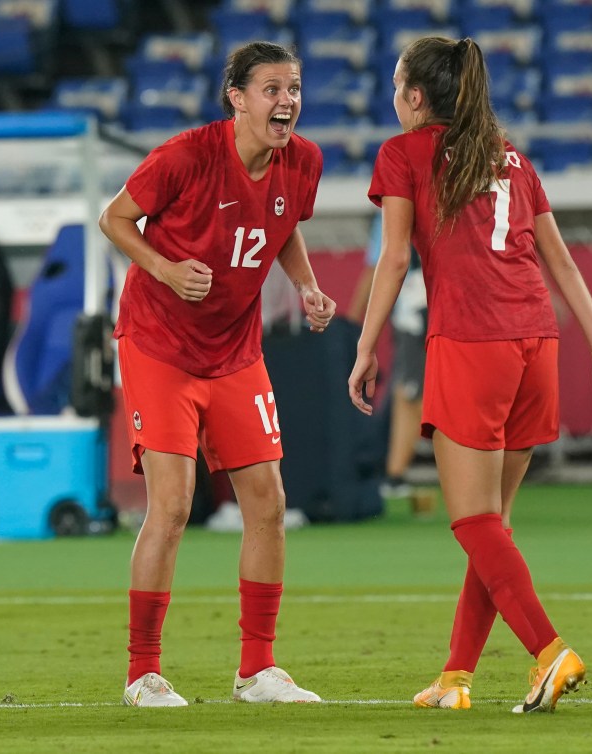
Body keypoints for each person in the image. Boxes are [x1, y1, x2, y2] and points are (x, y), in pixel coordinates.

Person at [348, 37, 592, 713]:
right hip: (538, 339)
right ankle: (455, 679)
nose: (393, 98)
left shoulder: (404, 152)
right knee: (494, 524)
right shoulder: (510, 155)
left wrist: (364, 348)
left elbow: (392, 262)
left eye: (396, 87)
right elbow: (560, 261)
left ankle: (548, 650)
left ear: (417, 97)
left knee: (473, 523)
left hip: (473, 340)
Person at [99, 41, 336, 708]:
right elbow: (113, 219)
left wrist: (308, 286)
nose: (285, 100)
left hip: (235, 352)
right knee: (172, 506)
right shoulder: (186, 156)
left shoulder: (304, 161)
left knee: (268, 503)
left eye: (293, 87)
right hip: (160, 346)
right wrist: (167, 269)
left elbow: (281, 225)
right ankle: (141, 673)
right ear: (236, 97)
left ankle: (257, 671)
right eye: (271, 88)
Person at [347, 214, 428, 501]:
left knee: (411, 391)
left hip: (423, 305)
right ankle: (395, 474)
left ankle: (396, 474)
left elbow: (380, 265)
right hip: (420, 305)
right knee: (410, 391)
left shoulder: (397, 202)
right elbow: (380, 264)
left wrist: (356, 326)